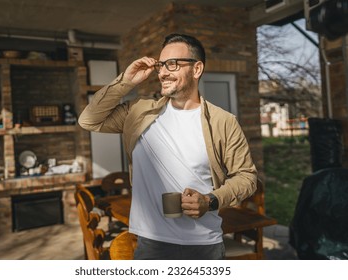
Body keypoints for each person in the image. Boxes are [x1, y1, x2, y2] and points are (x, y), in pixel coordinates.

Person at [78, 33, 257, 260]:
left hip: (203, 245)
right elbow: (88, 120)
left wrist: (210, 200)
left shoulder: (224, 121)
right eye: (161, 65)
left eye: (172, 65)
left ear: (197, 69)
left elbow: (246, 177)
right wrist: (126, 81)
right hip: (150, 243)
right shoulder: (139, 111)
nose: (162, 72)